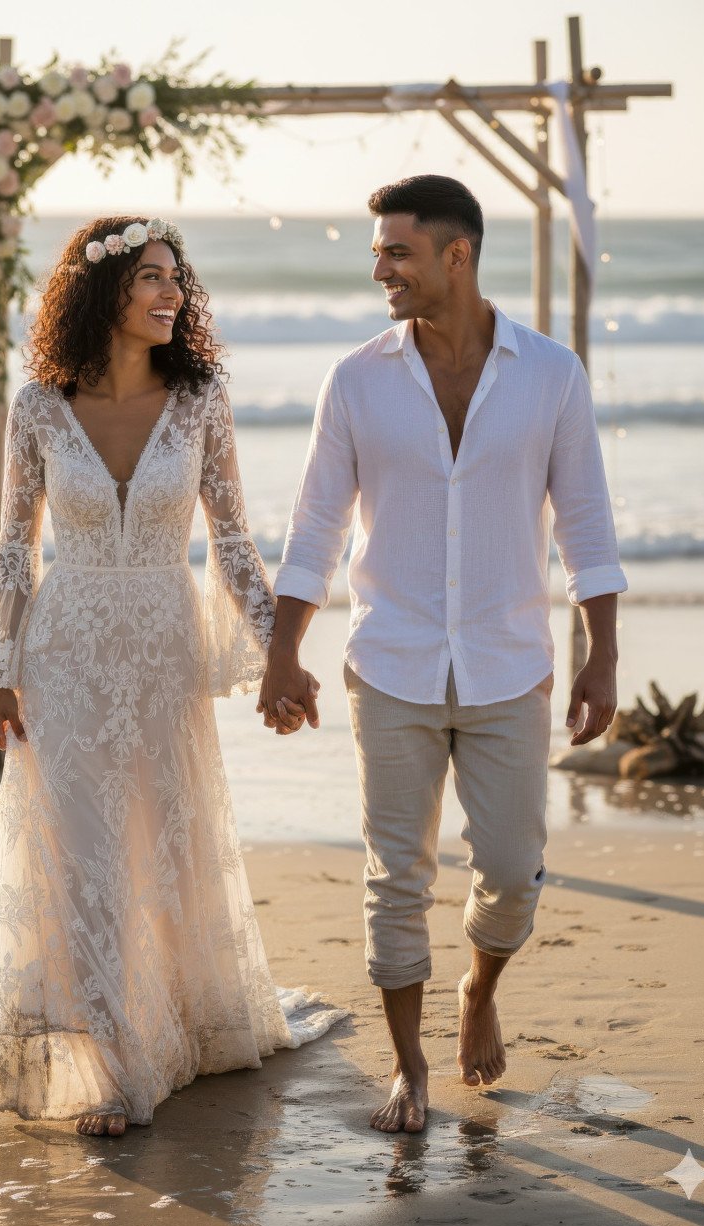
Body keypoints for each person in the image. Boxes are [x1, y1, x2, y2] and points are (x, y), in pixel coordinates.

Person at [0, 215, 339, 1138]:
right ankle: (117, 1067)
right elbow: (13, 548)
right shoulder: (42, 404)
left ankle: (168, 1025)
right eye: (151, 279)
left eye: (176, 279)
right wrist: (1, 669)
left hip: (163, 649)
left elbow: (234, 544)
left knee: (161, 844)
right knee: (83, 854)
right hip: (65, 650)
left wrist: (280, 651)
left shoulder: (200, 399)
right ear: (103, 292)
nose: (171, 294)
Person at [260, 176, 627, 1134]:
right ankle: (409, 1067)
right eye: (379, 251)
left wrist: (601, 657)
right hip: (390, 662)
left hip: (511, 663)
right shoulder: (356, 379)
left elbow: (587, 524)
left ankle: (479, 988)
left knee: (511, 868)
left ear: (455, 255)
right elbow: (315, 529)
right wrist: (283, 653)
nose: (378, 267)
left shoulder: (553, 374)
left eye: (396, 252)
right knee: (397, 875)